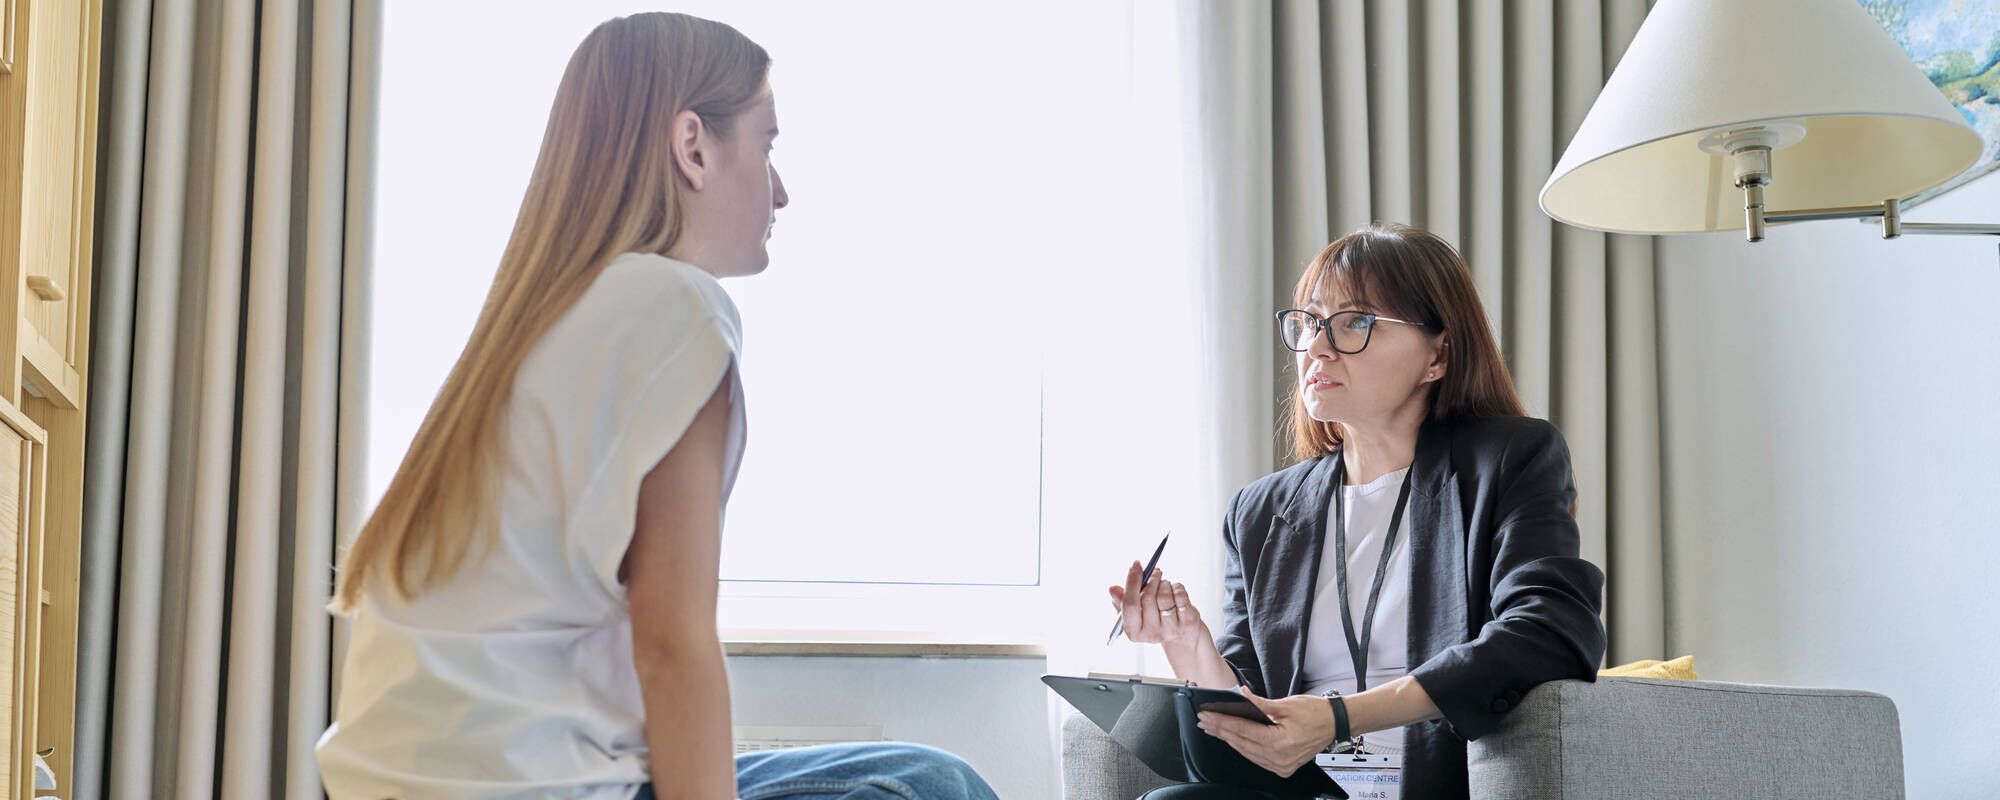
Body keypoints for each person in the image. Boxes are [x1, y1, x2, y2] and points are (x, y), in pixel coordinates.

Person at [316, 13, 998, 800]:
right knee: (931, 790)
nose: (781, 188)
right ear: (693, 146)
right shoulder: (674, 308)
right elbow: (672, 647)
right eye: (768, 144)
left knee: (922, 774)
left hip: (396, 782)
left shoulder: (537, 321)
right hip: (523, 790)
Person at [1109, 223, 1607, 800]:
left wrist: (1342, 717)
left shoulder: (1510, 460)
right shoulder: (1260, 511)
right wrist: (1187, 642)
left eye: (1354, 323)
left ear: (1437, 355)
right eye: (1309, 322)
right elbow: (1251, 727)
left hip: (1429, 782)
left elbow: (1548, 630)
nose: (1318, 347)